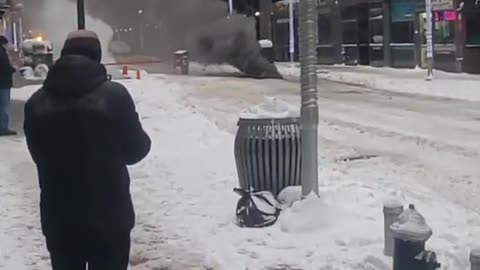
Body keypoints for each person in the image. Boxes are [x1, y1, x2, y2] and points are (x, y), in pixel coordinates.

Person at [23, 30, 151, 270]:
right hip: (110, 217)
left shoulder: (36, 103)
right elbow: (137, 150)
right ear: (97, 55)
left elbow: (37, 155)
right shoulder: (114, 97)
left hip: (59, 219)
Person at [0, 35, 17, 136]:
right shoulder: (2, 54)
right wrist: (13, 69)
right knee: (4, 107)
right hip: (3, 84)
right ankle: (3, 128)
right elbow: (5, 67)